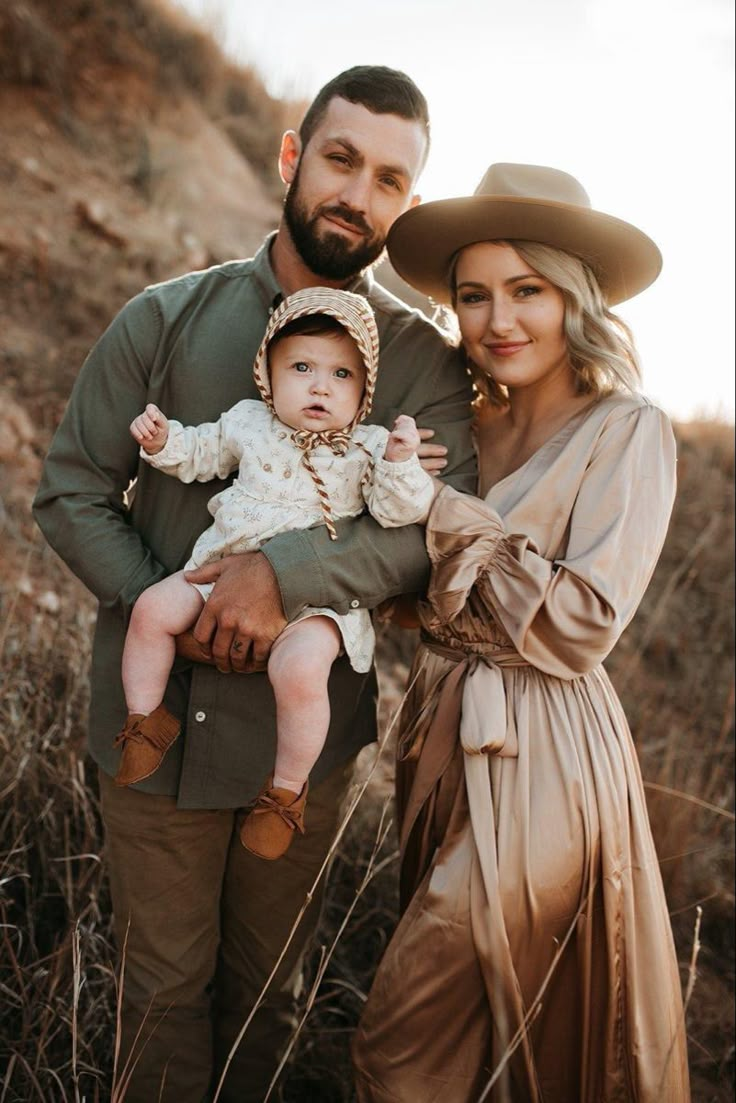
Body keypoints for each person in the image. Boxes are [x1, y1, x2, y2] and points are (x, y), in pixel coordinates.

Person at [32, 66, 476, 1103]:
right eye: (339, 159)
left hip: (306, 753)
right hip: (156, 728)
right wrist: (179, 607)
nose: (356, 195)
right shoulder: (166, 318)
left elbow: (430, 539)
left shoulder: (420, 366)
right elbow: (70, 491)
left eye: (388, 179)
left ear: (405, 201)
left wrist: (285, 577)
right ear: (292, 156)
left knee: (269, 994)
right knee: (162, 989)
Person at [352, 163, 691, 1102]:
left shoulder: (630, 429)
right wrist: (394, 498)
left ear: (573, 296)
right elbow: (416, 601)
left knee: (400, 1043)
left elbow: (582, 622)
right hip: (439, 732)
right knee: (478, 1040)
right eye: (473, 295)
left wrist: (444, 511)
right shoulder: (464, 427)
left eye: (527, 291)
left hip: (546, 747)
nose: (498, 319)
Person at [117, 286, 436, 861]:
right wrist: (165, 442)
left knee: (300, 669)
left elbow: (399, 512)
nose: (320, 385)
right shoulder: (250, 423)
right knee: (153, 611)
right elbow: (202, 453)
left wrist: (400, 462)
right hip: (221, 565)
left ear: (363, 391)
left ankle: (285, 791)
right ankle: (144, 720)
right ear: (267, 372)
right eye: (302, 367)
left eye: (341, 374)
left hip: (321, 600)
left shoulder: (366, 447)